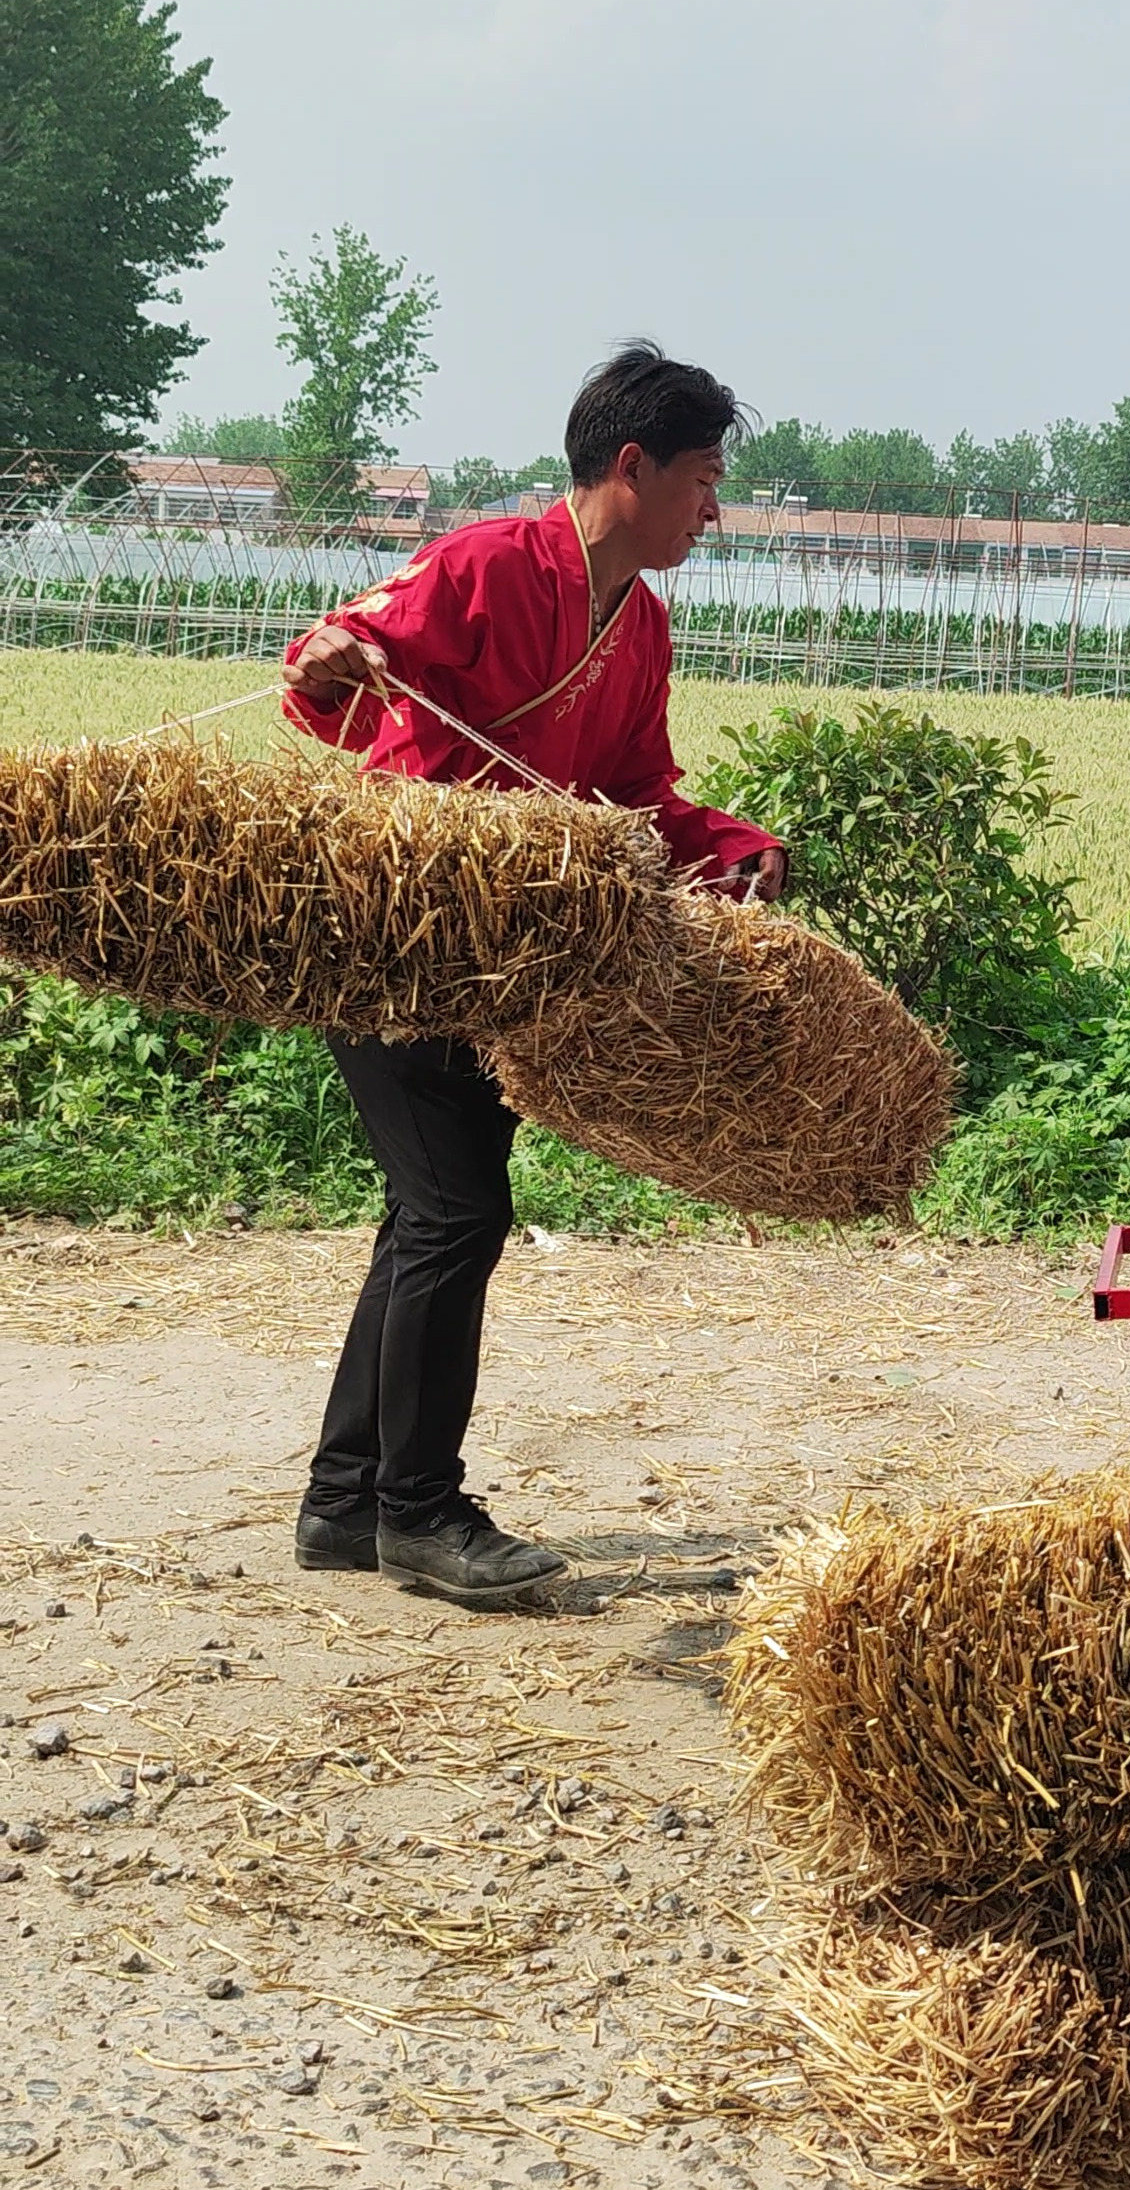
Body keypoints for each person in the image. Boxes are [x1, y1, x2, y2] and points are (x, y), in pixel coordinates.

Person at [279, 344, 787, 1603]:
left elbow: (631, 799)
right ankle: (421, 1513)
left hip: (502, 964)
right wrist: (328, 659)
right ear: (634, 466)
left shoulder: (643, 623)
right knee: (458, 1211)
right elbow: (331, 664)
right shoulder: (483, 564)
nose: (714, 509)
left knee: (429, 1211)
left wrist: (733, 847)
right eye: (706, 478)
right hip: (396, 942)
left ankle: (347, 1502)